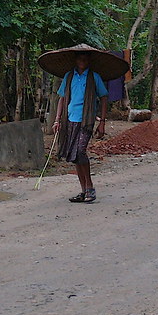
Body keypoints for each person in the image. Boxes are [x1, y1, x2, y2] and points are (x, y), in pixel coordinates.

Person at [52, 52, 108, 204]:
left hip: (87, 120)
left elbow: (104, 97)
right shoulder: (69, 76)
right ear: (76, 60)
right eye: (80, 58)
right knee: (75, 156)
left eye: (85, 58)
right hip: (70, 119)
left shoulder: (94, 77)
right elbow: (62, 99)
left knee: (81, 151)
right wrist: (57, 120)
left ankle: (90, 187)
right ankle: (83, 191)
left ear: (89, 60)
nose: (82, 61)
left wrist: (102, 122)